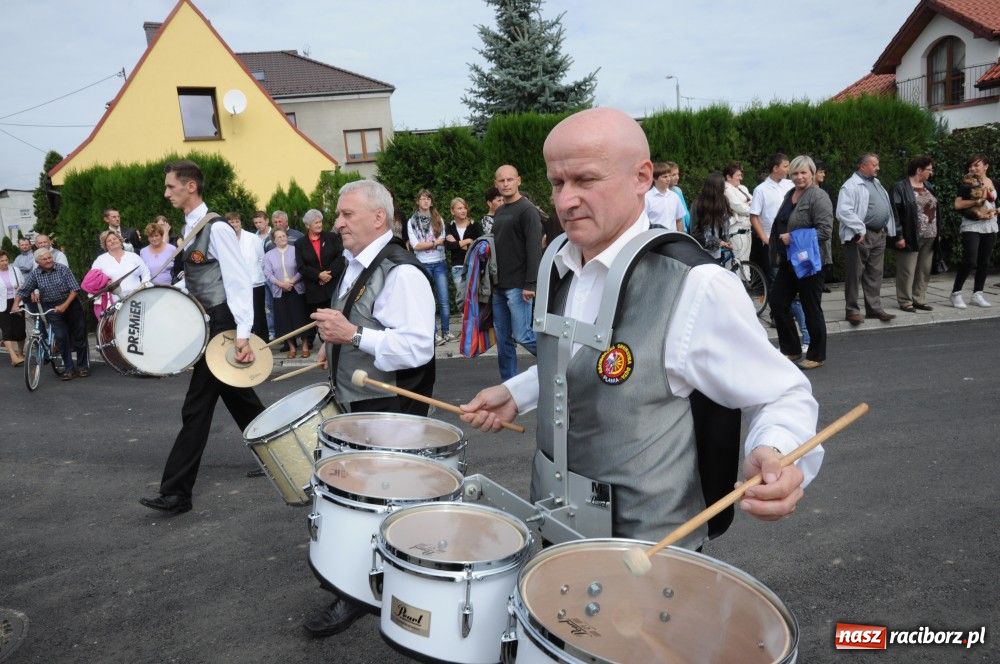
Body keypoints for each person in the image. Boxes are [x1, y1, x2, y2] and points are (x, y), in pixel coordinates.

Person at [461, 108, 822, 549]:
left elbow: (781, 393)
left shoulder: (695, 284)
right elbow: (576, 362)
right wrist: (518, 392)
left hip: (651, 560)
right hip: (555, 536)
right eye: (557, 183)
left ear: (642, 177)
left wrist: (777, 451)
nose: (565, 200)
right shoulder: (559, 263)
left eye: (585, 180)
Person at [306, 179, 436, 638]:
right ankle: (363, 584)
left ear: (378, 217)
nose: (337, 222)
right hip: (361, 401)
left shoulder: (401, 271)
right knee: (364, 502)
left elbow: (417, 347)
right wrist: (334, 344)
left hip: (389, 406)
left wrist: (353, 338)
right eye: (338, 215)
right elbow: (355, 318)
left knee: (377, 505)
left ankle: (361, 593)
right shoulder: (359, 262)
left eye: (346, 214)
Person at [140, 160, 265, 515]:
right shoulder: (191, 226)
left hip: (221, 324)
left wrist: (242, 333)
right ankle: (285, 455)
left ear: (190, 186)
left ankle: (177, 492)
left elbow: (238, 281)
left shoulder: (218, 228)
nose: (166, 193)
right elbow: (199, 277)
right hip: (208, 321)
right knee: (241, 399)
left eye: (170, 187)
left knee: (196, 408)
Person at [768, 156, 833, 370]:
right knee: (777, 302)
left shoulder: (818, 196)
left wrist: (793, 238)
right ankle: (791, 349)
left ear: (812, 173)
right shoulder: (790, 194)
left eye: (803, 172)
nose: (799, 177)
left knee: (810, 307)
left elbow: (825, 231)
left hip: (811, 262)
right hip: (789, 260)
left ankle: (816, 354)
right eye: (795, 173)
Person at [491, 164, 543, 379]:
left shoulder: (527, 210)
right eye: (502, 181)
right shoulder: (500, 211)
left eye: (510, 179)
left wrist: (530, 284)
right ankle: (508, 385)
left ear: (518, 181)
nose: (506, 184)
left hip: (518, 286)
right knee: (503, 342)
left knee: (523, 335)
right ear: (496, 184)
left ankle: (562, 363)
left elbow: (534, 247)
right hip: (498, 287)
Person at [11, 248, 90, 380]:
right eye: (45, 259)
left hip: (71, 304)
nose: (48, 261)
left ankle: (83, 366)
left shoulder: (62, 269)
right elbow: (24, 290)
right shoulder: (35, 274)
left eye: (49, 258)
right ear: (38, 262)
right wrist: (15, 304)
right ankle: (69, 368)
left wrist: (65, 305)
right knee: (61, 336)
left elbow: (75, 289)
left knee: (79, 335)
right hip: (51, 307)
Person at [836, 153, 896, 325]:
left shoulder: (875, 183)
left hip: (878, 234)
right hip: (860, 235)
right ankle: (852, 311)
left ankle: (874, 309)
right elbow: (843, 211)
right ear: (862, 166)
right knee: (855, 273)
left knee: (875, 273)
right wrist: (859, 228)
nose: (878, 167)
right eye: (874, 164)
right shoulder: (850, 185)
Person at [890, 156, 938, 312]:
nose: (931, 172)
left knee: (924, 269)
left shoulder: (929, 186)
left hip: (930, 235)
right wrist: (899, 236)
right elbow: (895, 213)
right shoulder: (900, 187)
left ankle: (919, 299)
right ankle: (905, 301)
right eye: (929, 170)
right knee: (907, 269)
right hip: (910, 236)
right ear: (919, 170)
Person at [949, 154, 997, 308]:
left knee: (984, 261)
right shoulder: (966, 184)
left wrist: (995, 211)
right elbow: (957, 205)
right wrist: (977, 201)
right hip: (972, 224)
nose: (972, 168)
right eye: (971, 166)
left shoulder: (994, 183)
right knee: (970, 260)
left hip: (990, 224)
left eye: (976, 165)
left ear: (986, 166)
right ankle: (956, 293)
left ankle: (978, 294)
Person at [407, 190, 453, 344]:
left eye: (428, 198)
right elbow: (416, 245)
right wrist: (434, 243)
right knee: (427, 301)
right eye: (422, 198)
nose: (425, 201)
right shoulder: (412, 221)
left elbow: (443, 239)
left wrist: (430, 244)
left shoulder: (438, 218)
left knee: (444, 300)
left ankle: (446, 331)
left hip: (439, 262)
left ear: (431, 202)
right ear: (417, 201)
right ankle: (433, 334)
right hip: (423, 264)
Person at [295, 209, 341, 357]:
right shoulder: (300, 243)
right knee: (322, 322)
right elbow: (301, 267)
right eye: (316, 222)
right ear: (308, 225)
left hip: (333, 286)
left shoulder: (332, 237)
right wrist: (318, 275)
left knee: (337, 317)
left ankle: (339, 350)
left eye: (320, 221)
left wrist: (329, 274)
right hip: (315, 289)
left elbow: (341, 257)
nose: (319, 225)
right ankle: (327, 350)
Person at [263, 228, 308, 358]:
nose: (283, 238)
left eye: (284, 236)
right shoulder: (269, 255)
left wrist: (291, 282)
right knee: (285, 320)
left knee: (301, 318)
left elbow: (301, 269)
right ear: (274, 240)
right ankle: (292, 347)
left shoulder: (295, 251)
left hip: (296, 288)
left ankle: (305, 345)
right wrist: (281, 284)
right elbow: (268, 273)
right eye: (279, 237)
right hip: (279, 291)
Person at [226, 212, 268, 341]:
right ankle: (245, 340)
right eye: (231, 222)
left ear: (240, 223)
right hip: (236, 284)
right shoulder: (226, 240)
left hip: (255, 282)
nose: (234, 225)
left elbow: (262, 259)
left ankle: (262, 340)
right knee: (240, 314)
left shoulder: (252, 238)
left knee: (258, 313)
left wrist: (255, 274)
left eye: (237, 222)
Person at [445, 197, 483, 310]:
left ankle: (476, 325)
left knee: (475, 296)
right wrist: (468, 241)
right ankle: (465, 325)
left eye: (465, 207)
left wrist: (457, 243)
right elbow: (448, 246)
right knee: (462, 298)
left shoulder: (475, 225)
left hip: (474, 265)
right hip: (458, 267)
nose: (463, 210)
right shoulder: (449, 227)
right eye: (459, 208)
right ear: (453, 211)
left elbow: (479, 247)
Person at [92, 230, 151, 302]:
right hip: (115, 303)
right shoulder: (100, 260)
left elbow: (146, 273)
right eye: (109, 241)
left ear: (120, 240)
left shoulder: (133, 256)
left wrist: (143, 286)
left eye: (114, 239)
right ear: (105, 245)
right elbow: (93, 279)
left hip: (138, 298)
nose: (112, 241)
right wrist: (104, 283)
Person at [690, 173, 733, 260]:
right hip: (701, 250)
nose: (725, 188)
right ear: (717, 188)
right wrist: (718, 241)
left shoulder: (723, 201)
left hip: (718, 252)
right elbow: (694, 232)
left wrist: (727, 241)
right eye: (722, 186)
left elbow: (725, 224)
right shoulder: (698, 204)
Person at [723, 162, 753, 266]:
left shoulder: (742, 188)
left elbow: (754, 202)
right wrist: (749, 207)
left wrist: (748, 205)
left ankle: (745, 281)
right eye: (738, 175)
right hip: (736, 229)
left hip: (747, 228)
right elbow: (739, 207)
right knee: (737, 259)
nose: (740, 178)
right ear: (728, 177)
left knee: (746, 259)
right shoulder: (726, 189)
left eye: (741, 175)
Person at [252, 210, 276, 341]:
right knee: (267, 305)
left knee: (278, 302)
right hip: (260, 277)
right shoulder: (253, 237)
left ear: (266, 221)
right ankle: (271, 330)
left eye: (260, 222)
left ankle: (282, 329)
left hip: (274, 275)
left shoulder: (274, 235)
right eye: (255, 223)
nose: (258, 225)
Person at [0, 251, 26, 366]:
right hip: (2, 305)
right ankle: (13, 356)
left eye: (6, 260)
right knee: (7, 330)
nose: (5, 263)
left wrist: (20, 287)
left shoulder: (15, 270)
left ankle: (20, 353)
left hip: (17, 302)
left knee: (20, 330)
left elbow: (24, 284)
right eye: (1, 261)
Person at [645, 162, 685, 231]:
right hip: (656, 239)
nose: (668, 179)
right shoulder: (647, 198)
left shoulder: (674, 196)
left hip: (673, 239)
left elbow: (679, 220)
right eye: (664, 177)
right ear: (654, 178)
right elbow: (643, 223)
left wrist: (680, 238)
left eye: (669, 176)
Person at [814, 161, 834, 293]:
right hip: (815, 230)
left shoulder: (822, 190)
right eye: (820, 172)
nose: (823, 174)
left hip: (825, 229)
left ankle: (821, 283)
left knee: (825, 257)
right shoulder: (810, 191)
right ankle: (817, 284)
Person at [669, 162, 692, 232]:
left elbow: (685, 211)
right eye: (673, 175)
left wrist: (691, 226)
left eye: (677, 174)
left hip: (684, 231)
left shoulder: (677, 190)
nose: (677, 177)